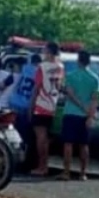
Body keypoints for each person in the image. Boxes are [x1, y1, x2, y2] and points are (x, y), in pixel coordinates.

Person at [61, 50, 99, 180]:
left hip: (70, 112)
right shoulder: (95, 78)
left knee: (68, 143)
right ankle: (83, 173)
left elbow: (70, 94)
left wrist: (81, 106)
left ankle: (66, 172)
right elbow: (95, 99)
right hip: (85, 115)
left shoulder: (70, 76)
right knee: (84, 144)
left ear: (78, 60)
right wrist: (90, 115)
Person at [28, 41, 65, 177]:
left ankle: (41, 166)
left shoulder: (42, 67)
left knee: (40, 138)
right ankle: (45, 165)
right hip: (53, 104)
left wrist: (31, 106)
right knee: (47, 138)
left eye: (44, 51)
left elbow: (36, 88)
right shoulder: (61, 66)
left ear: (49, 52)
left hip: (41, 104)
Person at [8, 52, 42, 172]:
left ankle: (14, 161)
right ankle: (26, 163)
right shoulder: (40, 72)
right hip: (27, 106)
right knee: (28, 138)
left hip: (15, 103)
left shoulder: (25, 68)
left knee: (16, 136)